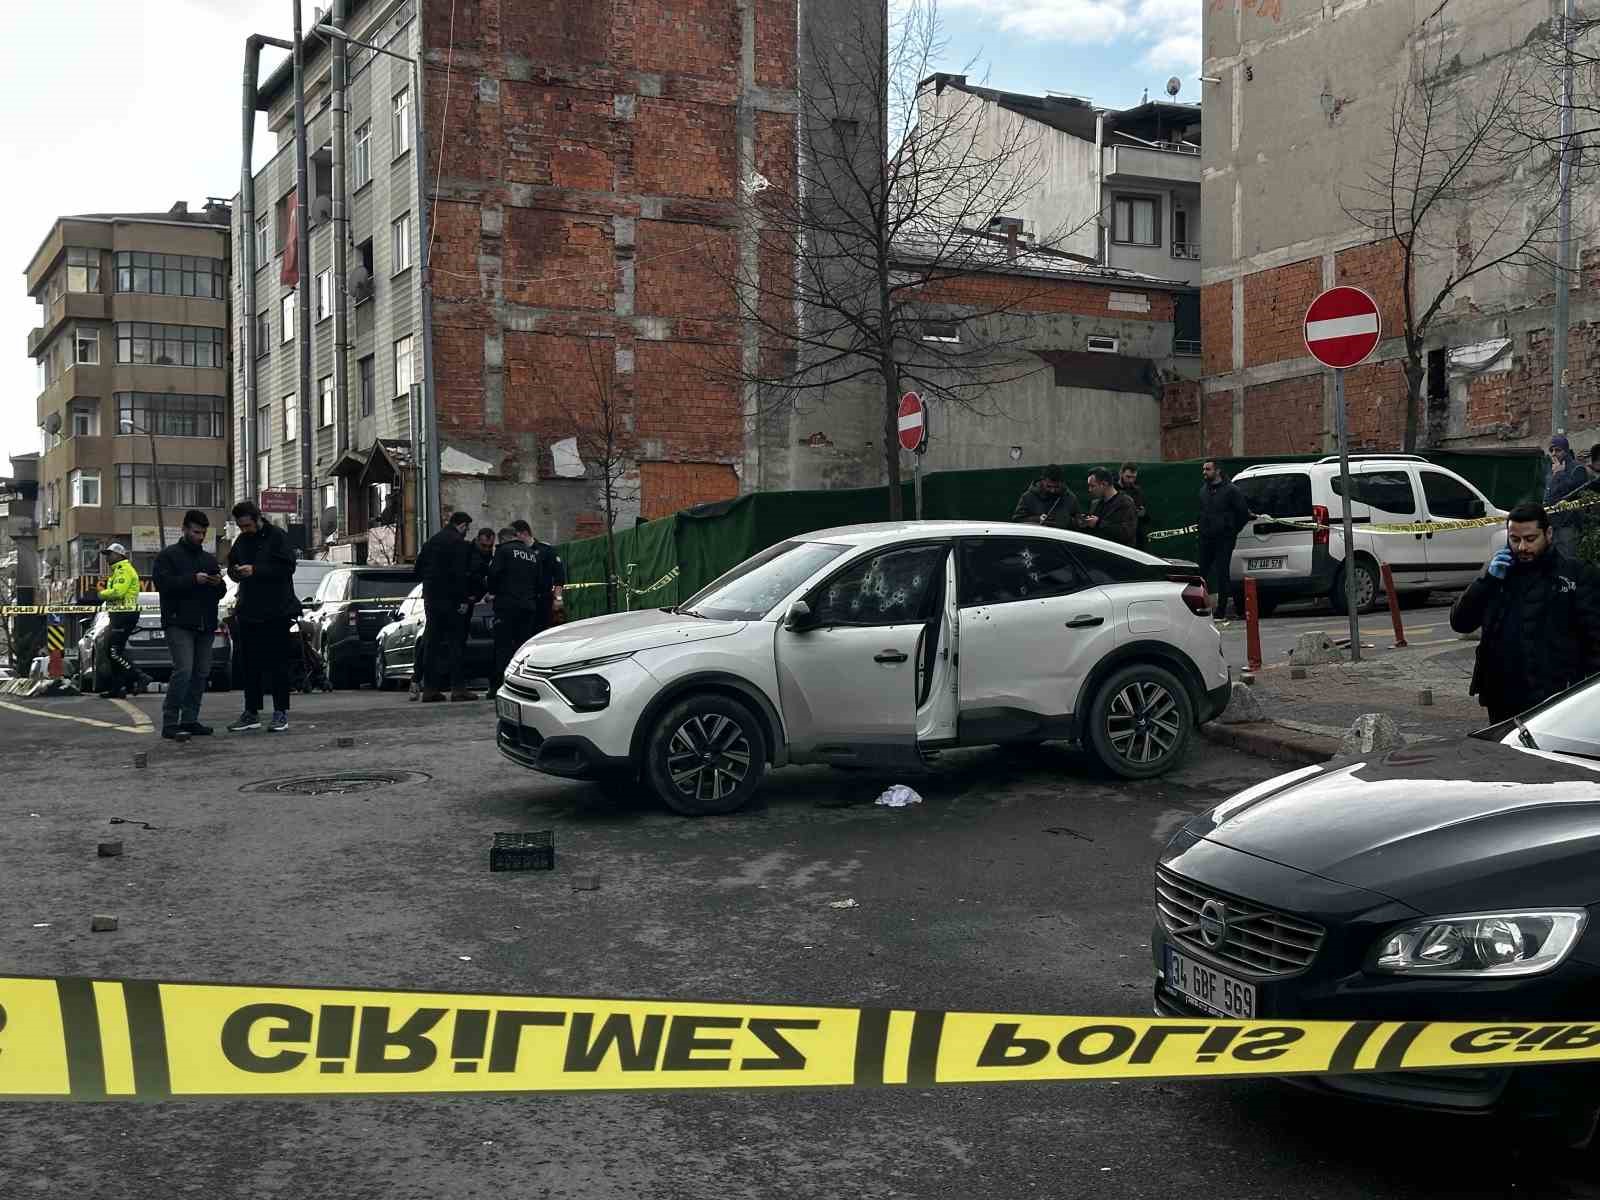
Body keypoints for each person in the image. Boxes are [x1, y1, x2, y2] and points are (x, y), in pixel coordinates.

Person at [1449, 503, 1600, 722]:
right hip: (1501, 696)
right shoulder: (1497, 572)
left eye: (1530, 539)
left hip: (1554, 696)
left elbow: (1595, 638)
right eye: (1514, 539)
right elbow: (1460, 622)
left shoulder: (1574, 574)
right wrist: (1486, 581)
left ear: (1548, 534)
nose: (1522, 547)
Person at [225, 501, 300, 733]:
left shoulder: (277, 537)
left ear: (257, 519)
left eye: (247, 525)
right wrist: (235, 572)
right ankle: (251, 712)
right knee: (250, 664)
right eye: (241, 526)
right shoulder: (241, 541)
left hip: (277, 611)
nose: (245, 530)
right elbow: (231, 565)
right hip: (249, 610)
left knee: (278, 664)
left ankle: (280, 712)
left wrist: (256, 570)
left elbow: (287, 568)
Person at [151, 510, 225, 739]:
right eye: (196, 532)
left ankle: (190, 719)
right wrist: (193, 579)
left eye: (203, 533)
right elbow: (163, 584)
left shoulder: (208, 559)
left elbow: (221, 592)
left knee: (201, 673)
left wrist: (216, 583)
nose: (200, 537)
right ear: (184, 529)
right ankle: (170, 722)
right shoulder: (168, 556)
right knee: (184, 670)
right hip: (179, 622)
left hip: (205, 623)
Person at [415, 511, 476, 703]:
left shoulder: (432, 541)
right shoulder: (458, 543)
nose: (466, 532)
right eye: (467, 528)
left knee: (432, 643)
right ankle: (458, 689)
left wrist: (430, 584)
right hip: (451, 600)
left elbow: (418, 570)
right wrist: (463, 600)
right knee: (456, 644)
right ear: (462, 525)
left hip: (432, 599)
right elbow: (459, 574)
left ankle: (430, 689)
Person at [488, 524, 543, 694]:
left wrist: (493, 592)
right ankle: (523, 686)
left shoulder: (503, 551)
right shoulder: (532, 554)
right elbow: (539, 581)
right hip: (528, 607)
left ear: (504, 538)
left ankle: (500, 686)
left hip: (507, 606)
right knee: (523, 648)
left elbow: (493, 575)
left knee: (503, 647)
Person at [1197, 460, 1252, 621]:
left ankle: (1222, 610)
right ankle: (1199, 607)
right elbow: (1201, 512)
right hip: (1206, 538)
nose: (1204, 472)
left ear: (1217, 471)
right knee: (1201, 572)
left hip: (1224, 539)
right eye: (1203, 469)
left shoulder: (1231, 490)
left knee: (1222, 573)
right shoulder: (1204, 491)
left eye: (1208, 469)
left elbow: (1243, 514)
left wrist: (1231, 531)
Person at [96, 543, 143, 699]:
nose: (107, 558)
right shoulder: (117, 571)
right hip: (118, 614)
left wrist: (101, 593)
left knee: (114, 652)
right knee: (112, 651)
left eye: (109, 554)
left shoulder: (124, 570)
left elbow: (118, 592)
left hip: (124, 614)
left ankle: (139, 676)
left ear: (119, 555)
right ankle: (118, 687)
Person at [514, 519, 567, 630]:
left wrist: (558, 598)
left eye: (515, 536)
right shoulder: (515, 553)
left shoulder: (545, 550)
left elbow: (559, 576)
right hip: (522, 602)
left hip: (543, 601)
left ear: (524, 533)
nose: (513, 540)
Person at [1546, 435, 1589, 555]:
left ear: (1566, 451)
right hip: (1552, 523)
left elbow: (1574, 493)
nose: (1554, 454)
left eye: (1558, 450)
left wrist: (1560, 474)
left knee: (1567, 559)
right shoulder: (1553, 469)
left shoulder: (1578, 469)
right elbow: (1549, 494)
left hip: (1568, 524)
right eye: (1551, 450)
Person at [1011, 465, 1083, 531]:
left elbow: (1079, 522)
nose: (1053, 490)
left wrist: (1068, 521)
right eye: (1049, 486)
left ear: (1062, 483)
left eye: (1056, 487)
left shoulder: (1070, 498)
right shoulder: (1028, 497)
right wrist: (1038, 519)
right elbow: (1017, 520)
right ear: (1042, 481)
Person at [1082, 467, 1138, 547]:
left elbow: (1127, 533)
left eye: (1092, 486)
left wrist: (1098, 523)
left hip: (1118, 552)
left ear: (1104, 484)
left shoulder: (1125, 503)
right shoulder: (1095, 504)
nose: (1090, 490)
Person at [1120, 462, 1151, 551]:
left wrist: (1143, 513)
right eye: (1128, 477)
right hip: (1119, 534)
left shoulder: (1138, 491)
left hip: (1136, 536)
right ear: (1121, 474)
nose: (1130, 480)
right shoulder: (1114, 489)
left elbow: (1147, 516)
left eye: (1133, 477)